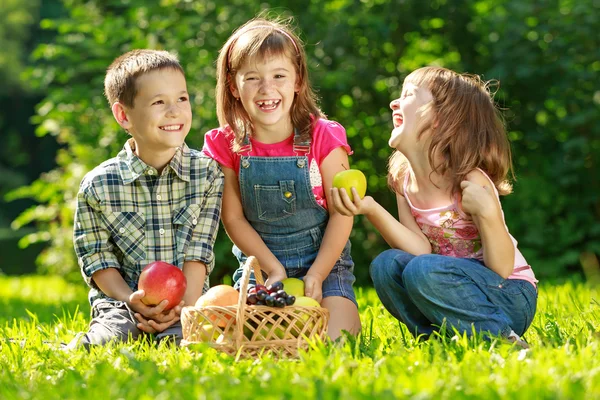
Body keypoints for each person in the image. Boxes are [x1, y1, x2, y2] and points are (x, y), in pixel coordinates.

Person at [331, 66, 537, 347]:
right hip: (441, 283)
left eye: (408, 95)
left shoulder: (469, 178)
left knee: (422, 269)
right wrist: (371, 208)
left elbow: (501, 268)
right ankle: (437, 339)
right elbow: (419, 250)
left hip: (509, 294)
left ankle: (501, 338)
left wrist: (488, 213)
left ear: (440, 117)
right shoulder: (403, 180)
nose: (394, 102)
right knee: (386, 264)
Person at [201, 16, 361, 340]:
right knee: (263, 343)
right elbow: (232, 219)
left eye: (278, 75)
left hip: (326, 266)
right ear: (233, 86)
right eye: (252, 78)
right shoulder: (227, 144)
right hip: (262, 270)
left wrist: (317, 273)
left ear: (297, 80)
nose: (267, 89)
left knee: (334, 340)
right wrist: (271, 269)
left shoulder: (323, 137)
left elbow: (343, 214)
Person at [68, 49, 224, 349]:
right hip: (121, 305)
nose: (175, 111)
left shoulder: (207, 174)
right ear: (123, 115)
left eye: (182, 98)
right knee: (111, 338)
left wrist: (183, 308)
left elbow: (198, 254)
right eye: (158, 102)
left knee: (189, 343)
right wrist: (132, 299)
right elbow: (98, 260)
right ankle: (78, 346)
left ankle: (177, 331)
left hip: (187, 302)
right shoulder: (98, 186)